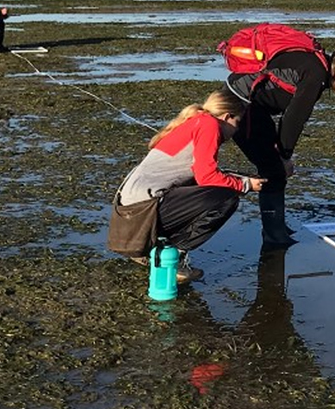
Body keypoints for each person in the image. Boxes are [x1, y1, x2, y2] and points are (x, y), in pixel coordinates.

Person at [107, 89, 263, 284]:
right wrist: (245, 185)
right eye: (237, 123)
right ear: (227, 116)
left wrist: (238, 178)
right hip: (143, 212)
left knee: (213, 191)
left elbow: (197, 175)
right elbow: (206, 176)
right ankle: (174, 256)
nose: (235, 131)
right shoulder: (210, 125)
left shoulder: (195, 121)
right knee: (226, 199)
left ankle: (152, 249)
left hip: (128, 210)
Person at [228, 42, 335, 250]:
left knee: (273, 166)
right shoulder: (316, 75)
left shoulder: (316, 63)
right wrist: (284, 157)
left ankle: (277, 228)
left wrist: (282, 153)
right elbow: (294, 119)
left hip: (252, 105)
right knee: (273, 170)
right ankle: (274, 236)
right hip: (239, 104)